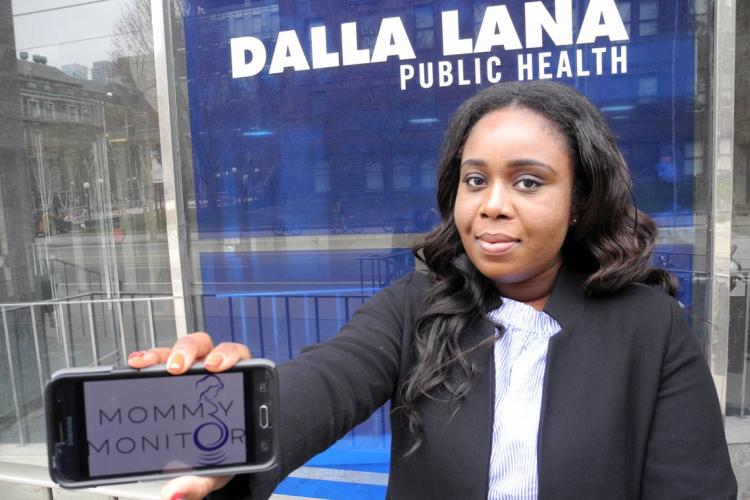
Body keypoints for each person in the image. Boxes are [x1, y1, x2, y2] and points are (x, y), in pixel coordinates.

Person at [129, 81, 737, 500]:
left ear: (579, 202)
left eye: (528, 182)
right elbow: (321, 384)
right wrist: (219, 420)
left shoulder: (650, 327)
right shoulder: (414, 308)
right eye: (476, 180)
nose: (492, 205)